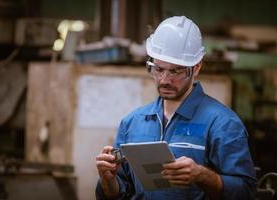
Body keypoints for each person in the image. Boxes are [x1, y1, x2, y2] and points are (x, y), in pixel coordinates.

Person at [95, 16, 256, 200]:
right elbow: (121, 192)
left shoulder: (223, 123)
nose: (164, 80)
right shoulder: (133, 122)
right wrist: (108, 180)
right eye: (158, 69)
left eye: (175, 71)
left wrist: (202, 176)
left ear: (196, 67)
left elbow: (246, 191)